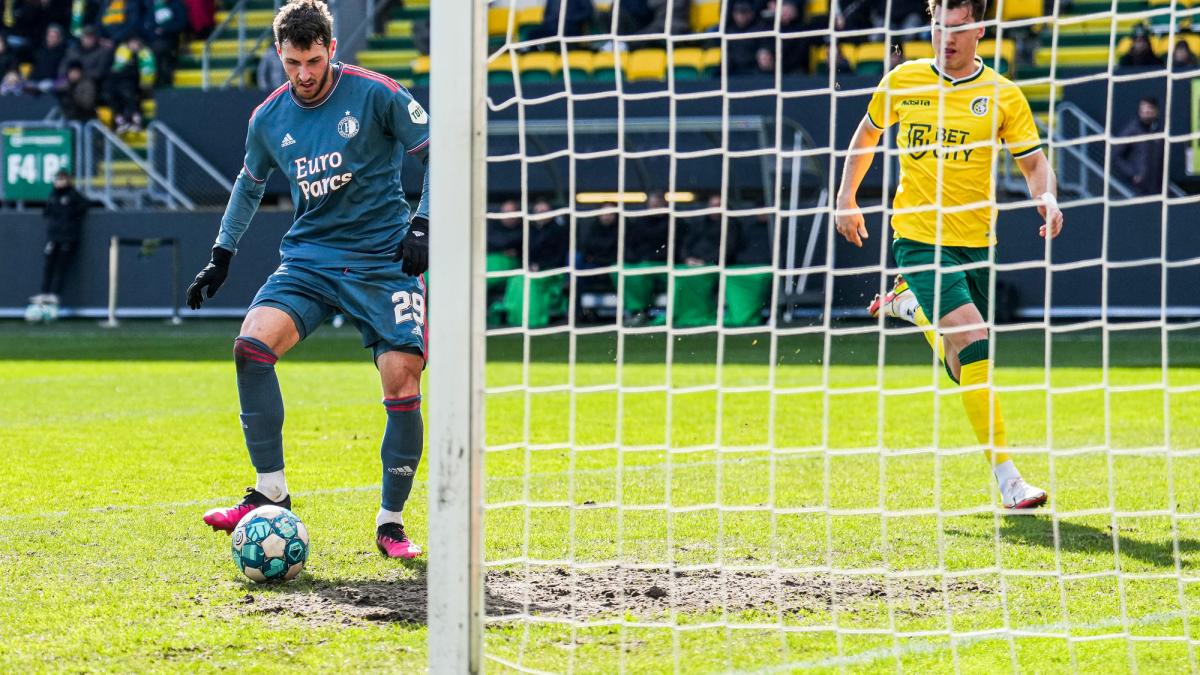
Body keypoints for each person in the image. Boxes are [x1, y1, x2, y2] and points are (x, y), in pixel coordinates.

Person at [187, 0, 431, 560]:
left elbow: (438, 153)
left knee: (402, 379)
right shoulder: (268, 117)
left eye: (314, 61)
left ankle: (390, 522)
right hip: (311, 259)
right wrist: (221, 254)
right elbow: (249, 186)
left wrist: (423, 224)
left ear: (332, 50)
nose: (303, 74)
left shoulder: (378, 94)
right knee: (250, 346)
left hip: (383, 259)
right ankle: (270, 490)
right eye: (293, 62)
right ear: (279, 54)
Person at [835, 0, 1064, 511]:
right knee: (972, 337)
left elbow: (1033, 165)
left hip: (977, 243)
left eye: (957, 28)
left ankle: (911, 307)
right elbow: (867, 136)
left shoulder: (1003, 95)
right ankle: (1009, 480)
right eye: (939, 26)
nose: (947, 37)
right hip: (916, 235)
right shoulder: (904, 80)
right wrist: (846, 198)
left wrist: (1045, 196)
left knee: (966, 364)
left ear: (979, 29)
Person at [28, 170, 90, 319]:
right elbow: (47, 211)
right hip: (53, 236)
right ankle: (44, 293)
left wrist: (72, 216)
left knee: (61, 267)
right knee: (49, 265)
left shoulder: (73, 195)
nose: (59, 182)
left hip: (68, 237)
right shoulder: (53, 195)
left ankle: (55, 295)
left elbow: (85, 205)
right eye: (57, 179)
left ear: (67, 180)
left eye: (62, 179)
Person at [1114, 96, 1164, 195]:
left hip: (1157, 188)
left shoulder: (1159, 130)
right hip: (1137, 189)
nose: (1146, 111)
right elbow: (1116, 155)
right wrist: (1134, 174)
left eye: (1149, 109)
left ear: (1156, 111)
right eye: (1143, 109)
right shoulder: (1132, 130)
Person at [107, 34, 154, 132]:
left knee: (128, 91)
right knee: (112, 91)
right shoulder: (122, 52)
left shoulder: (145, 54)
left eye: (136, 42)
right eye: (131, 42)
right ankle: (121, 121)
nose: (133, 45)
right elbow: (115, 70)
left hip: (140, 85)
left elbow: (148, 73)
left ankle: (135, 120)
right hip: (121, 84)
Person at [29, 23, 67, 92]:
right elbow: (34, 68)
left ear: (59, 39)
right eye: (49, 36)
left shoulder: (63, 53)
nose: (51, 39)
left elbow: (62, 73)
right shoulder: (40, 50)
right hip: (35, 81)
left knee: (45, 86)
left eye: (54, 37)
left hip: (53, 82)